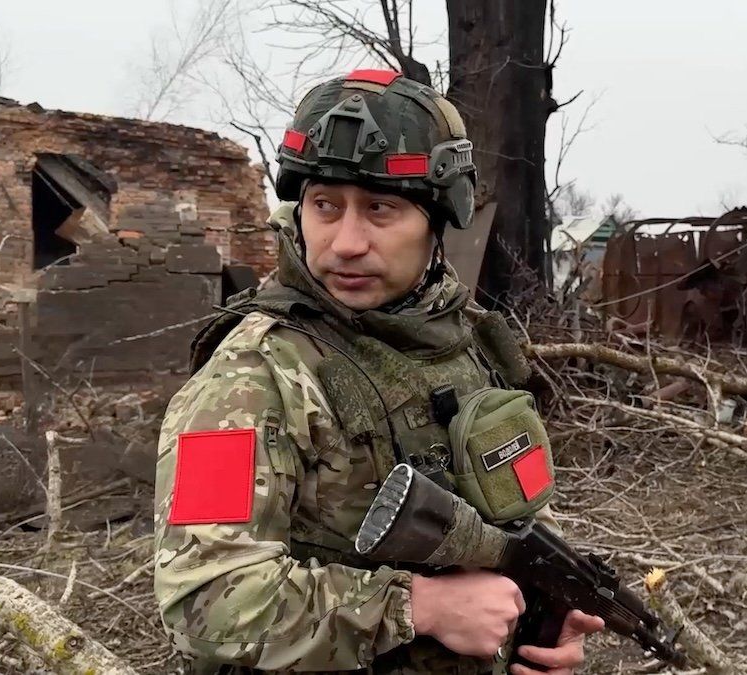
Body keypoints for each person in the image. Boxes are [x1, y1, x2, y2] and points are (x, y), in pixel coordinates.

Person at [153, 68, 603, 674]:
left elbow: (518, 514)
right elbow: (203, 601)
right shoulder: (254, 375)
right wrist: (417, 608)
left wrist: (542, 620)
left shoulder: (472, 342)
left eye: (381, 209)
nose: (345, 241)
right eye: (325, 206)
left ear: (437, 221)